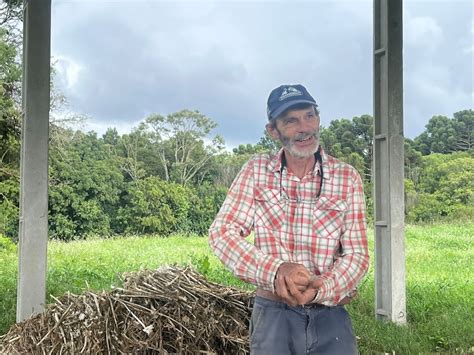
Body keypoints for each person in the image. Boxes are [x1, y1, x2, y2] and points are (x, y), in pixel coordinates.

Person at [209, 84, 369, 354]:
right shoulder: (257, 171)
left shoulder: (346, 177)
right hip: (273, 313)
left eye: (309, 116)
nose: (304, 127)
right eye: (291, 121)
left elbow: (358, 254)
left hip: (330, 314)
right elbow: (222, 234)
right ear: (273, 130)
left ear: (318, 118)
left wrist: (324, 287)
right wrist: (276, 271)